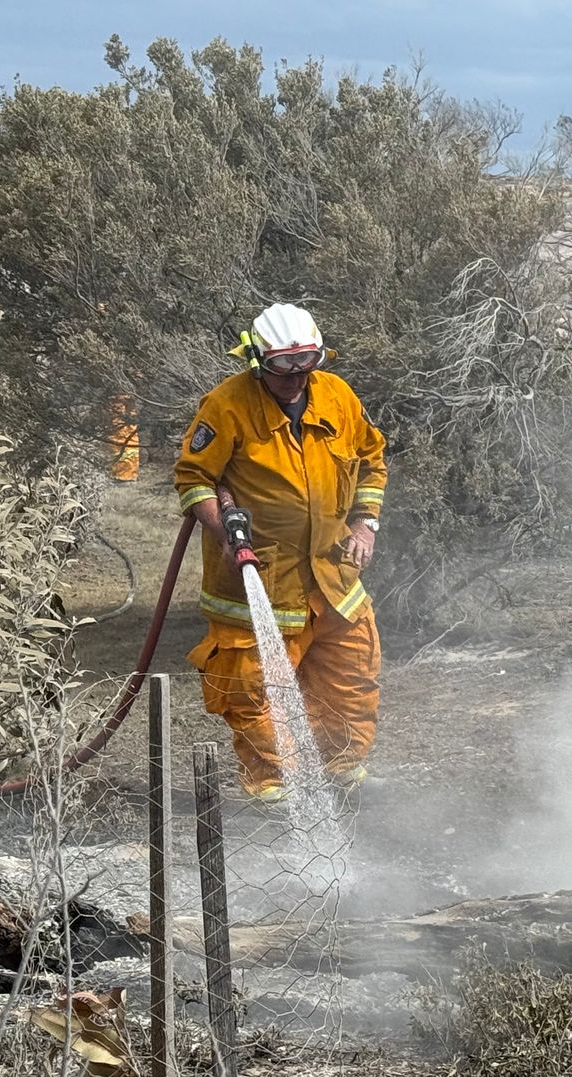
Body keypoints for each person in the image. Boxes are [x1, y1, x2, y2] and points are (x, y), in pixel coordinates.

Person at [173, 303, 388, 803]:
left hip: (333, 577)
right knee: (255, 690)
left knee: (351, 672)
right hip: (259, 581)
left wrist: (365, 523)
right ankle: (273, 785)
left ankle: (342, 768)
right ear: (257, 363)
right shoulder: (227, 406)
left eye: (306, 365)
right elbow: (194, 477)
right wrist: (226, 534)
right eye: (281, 369)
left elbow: (372, 461)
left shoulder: (337, 397)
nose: (295, 380)